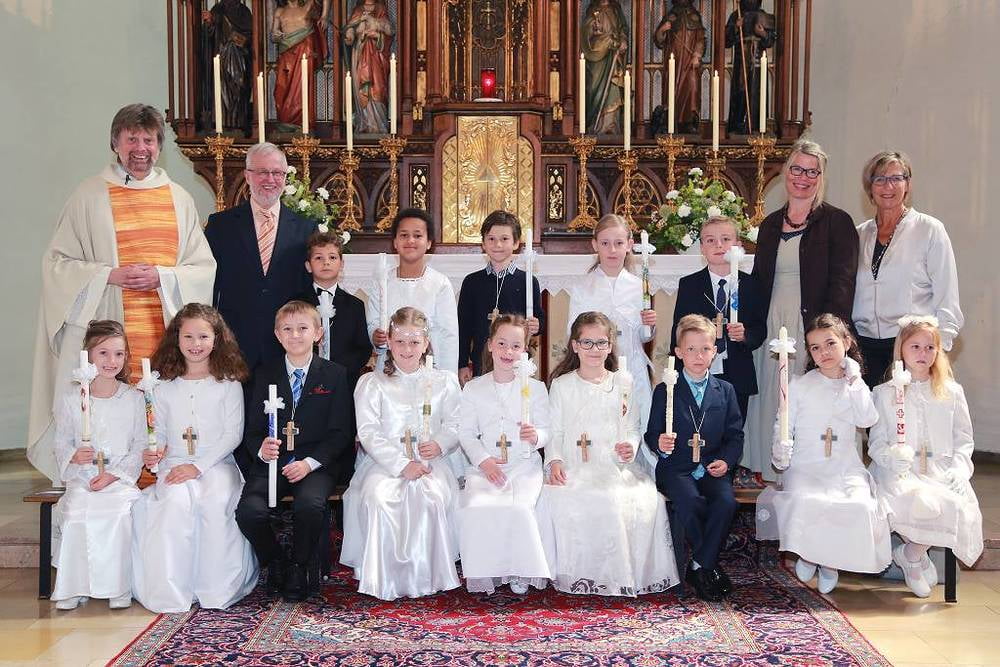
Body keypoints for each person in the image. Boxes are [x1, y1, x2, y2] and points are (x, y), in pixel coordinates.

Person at [29, 103, 216, 483]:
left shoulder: (178, 198)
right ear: (115, 143)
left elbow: (203, 267)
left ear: (159, 146)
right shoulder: (89, 196)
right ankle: (109, 480)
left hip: (163, 329)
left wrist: (164, 277)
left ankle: (163, 483)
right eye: (132, 139)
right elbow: (56, 265)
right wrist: (107, 275)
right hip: (109, 329)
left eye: (148, 140)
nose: (140, 148)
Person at [535, 311, 678, 596]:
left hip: (614, 465)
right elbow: (555, 431)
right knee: (570, 499)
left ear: (610, 346)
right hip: (573, 463)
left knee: (633, 499)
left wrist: (630, 446)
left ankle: (619, 574)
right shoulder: (562, 385)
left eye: (601, 343)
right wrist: (555, 460)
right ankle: (581, 572)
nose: (594, 349)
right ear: (575, 345)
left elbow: (633, 427)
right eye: (587, 343)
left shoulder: (622, 384)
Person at [131, 304, 258, 613]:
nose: (195, 344)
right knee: (174, 504)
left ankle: (216, 588)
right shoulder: (162, 386)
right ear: (176, 338)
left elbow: (232, 435)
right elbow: (158, 431)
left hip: (217, 464)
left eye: (203, 336)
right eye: (188, 336)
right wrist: (154, 450)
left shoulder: (228, 382)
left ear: (217, 338)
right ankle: (174, 590)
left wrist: (198, 466)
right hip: (175, 464)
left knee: (214, 503)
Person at [744, 140, 858, 481]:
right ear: (786, 172)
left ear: (821, 178)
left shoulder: (837, 222)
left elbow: (843, 281)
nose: (803, 178)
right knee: (772, 398)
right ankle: (771, 472)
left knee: (804, 401)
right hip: (772, 325)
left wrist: (828, 334)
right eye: (797, 169)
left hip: (810, 326)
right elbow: (759, 279)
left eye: (812, 172)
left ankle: (806, 475)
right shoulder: (769, 224)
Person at [757, 314, 890, 595]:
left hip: (844, 467)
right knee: (807, 499)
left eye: (830, 343)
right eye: (815, 347)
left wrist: (855, 380)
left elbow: (867, 419)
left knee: (858, 504)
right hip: (806, 465)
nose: (824, 352)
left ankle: (829, 562)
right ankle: (810, 555)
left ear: (847, 342)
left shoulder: (855, 386)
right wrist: (781, 450)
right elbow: (783, 424)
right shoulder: (800, 385)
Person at [340, 307, 463, 600]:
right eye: (400, 342)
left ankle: (428, 574)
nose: (407, 349)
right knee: (380, 497)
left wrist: (440, 443)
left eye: (414, 342)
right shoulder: (371, 383)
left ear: (426, 343)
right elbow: (369, 432)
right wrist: (400, 465)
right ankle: (382, 576)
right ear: (389, 342)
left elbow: (457, 422)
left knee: (431, 495)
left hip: (431, 461)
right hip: (383, 463)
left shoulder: (444, 381)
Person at [235, 301, 354, 602]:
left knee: (310, 506)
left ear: (318, 333)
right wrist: (261, 449)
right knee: (249, 511)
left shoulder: (335, 374)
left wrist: (310, 463)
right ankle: (276, 560)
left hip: (315, 464)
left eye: (303, 328)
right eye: (287, 329)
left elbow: (341, 431)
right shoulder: (265, 373)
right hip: (273, 462)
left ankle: (300, 565)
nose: (295, 335)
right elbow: (253, 429)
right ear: (277, 335)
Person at [868, 316, 982, 598]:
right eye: (915, 346)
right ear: (901, 349)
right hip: (899, 471)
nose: (923, 353)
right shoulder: (884, 394)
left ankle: (911, 554)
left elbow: (963, 440)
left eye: (930, 347)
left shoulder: (952, 392)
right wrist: (891, 457)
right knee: (916, 501)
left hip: (940, 470)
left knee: (954, 503)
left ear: (938, 352)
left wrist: (959, 470)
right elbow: (876, 443)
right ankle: (915, 560)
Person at [646, 314, 744, 601]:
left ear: (714, 352)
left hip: (712, 466)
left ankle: (699, 564)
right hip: (676, 468)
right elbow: (652, 433)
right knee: (690, 501)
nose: (698, 356)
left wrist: (726, 461)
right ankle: (707, 565)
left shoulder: (725, 390)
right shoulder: (666, 389)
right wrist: (660, 443)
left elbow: (735, 435)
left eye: (705, 349)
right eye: (691, 349)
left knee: (726, 502)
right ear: (679, 353)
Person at [51, 321, 145, 610]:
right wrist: (73, 455)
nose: (111, 361)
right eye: (103, 353)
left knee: (118, 513)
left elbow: (140, 445)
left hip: (118, 481)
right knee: (76, 511)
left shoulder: (133, 398)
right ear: (88, 355)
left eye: (119, 354)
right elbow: (61, 441)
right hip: (83, 478)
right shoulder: (72, 399)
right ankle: (75, 586)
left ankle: (118, 586)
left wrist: (113, 476)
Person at [852, 151, 964, 388]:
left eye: (896, 178)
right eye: (879, 179)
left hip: (911, 350)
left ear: (908, 184)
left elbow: (947, 299)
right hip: (865, 351)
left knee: (910, 413)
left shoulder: (929, 230)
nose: (888, 186)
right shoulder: (858, 234)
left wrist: (933, 355)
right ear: (869, 187)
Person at [457, 315, 552, 595]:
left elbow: (547, 430)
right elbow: (466, 433)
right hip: (486, 466)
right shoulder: (474, 388)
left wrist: (536, 436)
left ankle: (519, 570)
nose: (508, 351)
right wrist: (484, 461)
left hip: (524, 465)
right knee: (477, 505)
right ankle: (488, 570)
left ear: (524, 350)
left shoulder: (535, 388)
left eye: (516, 346)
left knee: (519, 508)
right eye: (501, 343)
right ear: (490, 345)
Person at [205, 142, 315, 373]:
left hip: (286, 346)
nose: (270, 179)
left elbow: (308, 289)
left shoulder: (305, 228)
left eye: (277, 173)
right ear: (247, 175)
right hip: (235, 343)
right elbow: (209, 284)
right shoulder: (220, 225)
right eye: (262, 172)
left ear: (285, 177)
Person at [567, 214, 657, 470]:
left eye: (618, 243)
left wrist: (649, 324)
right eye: (605, 243)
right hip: (597, 369)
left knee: (637, 424)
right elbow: (572, 333)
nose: (612, 250)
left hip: (633, 368)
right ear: (595, 245)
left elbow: (644, 337)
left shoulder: (639, 286)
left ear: (629, 244)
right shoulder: (584, 286)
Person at [670, 216, 765, 422]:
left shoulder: (750, 284)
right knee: (699, 428)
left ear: (738, 245)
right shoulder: (689, 285)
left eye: (726, 239)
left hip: (737, 373)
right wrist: (677, 376)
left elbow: (760, 328)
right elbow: (678, 332)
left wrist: (745, 335)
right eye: (710, 240)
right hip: (698, 370)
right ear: (702, 248)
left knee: (733, 430)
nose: (718, 245)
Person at [366, 208, 459, 376]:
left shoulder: (440, 284)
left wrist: (447, 378)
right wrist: (375, 336)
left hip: (428, 372)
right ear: (395, 242)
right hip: (389, 370)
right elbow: (373, 321)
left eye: (417, 235)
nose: (410, 240)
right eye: (404, 235)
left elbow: (448, 337)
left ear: (429, 242)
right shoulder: (382, 282)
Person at [457, 210, 543, 382]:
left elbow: (538, 317)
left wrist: (537, 325)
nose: (497, 244)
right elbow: (463, 327)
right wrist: (462, 363)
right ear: (483, 243)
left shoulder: (527, 281)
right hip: (481, 359)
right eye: (491, 239)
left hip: (515, 360)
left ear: (516, 243)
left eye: (504, 239)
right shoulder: (472, 282)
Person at [294, 230, 372, 389]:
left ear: (341, 264)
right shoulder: (296, 304)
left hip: (344, 381)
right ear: (308, 266)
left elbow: (363, 348)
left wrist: (338, 371)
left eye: (332, 257)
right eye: (319, 258)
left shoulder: (355, 306)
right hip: (304, 381)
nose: (326, 262)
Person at [271, 0, 329, 129]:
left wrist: (325, 15)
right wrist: (275, 35)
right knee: (281, 88)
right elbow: (273, 36)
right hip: (286, 53)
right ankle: (285, 121)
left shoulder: (308, 6)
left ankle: (302, 123)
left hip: (304, 52)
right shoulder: (280, 11)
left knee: (302, 87)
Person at [652, 0, 705, 134]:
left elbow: (701, 38)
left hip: (690, 63)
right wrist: (663, 29)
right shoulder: (671, 15)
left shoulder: (694, 15)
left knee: (692, 87)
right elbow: (658, 41)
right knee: (672, 90)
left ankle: (689, 121)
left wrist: (697, 55)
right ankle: (671, 122)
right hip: (673, 62)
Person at [344, 0, 394, 134]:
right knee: (362, 86)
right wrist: (350, 36)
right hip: (360, 53)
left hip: (377, 56)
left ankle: (378, 124)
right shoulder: (358, 10)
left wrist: (377, 34)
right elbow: (350, 29)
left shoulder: (380, 8)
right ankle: (364, 122)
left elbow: (389, 31)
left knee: (378, 88)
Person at [581, 0, 629, 134]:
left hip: (613, 57)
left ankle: (610, 126)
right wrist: (593, 28)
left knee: (613, 89)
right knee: (594, 90)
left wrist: (623, 40)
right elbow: (585, 33)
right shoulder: (592, 10)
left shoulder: (616, 10)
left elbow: (623, 29)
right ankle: (595, 125)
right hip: (596, 59)